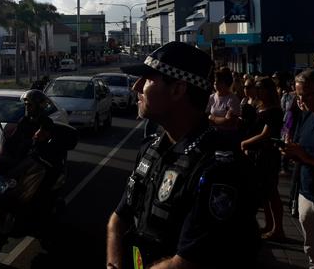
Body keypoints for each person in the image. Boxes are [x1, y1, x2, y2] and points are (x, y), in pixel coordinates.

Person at [106, 42, 259, 269]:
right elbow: (118, 221)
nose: (136, 87)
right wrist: (114, 264)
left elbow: (186, 262)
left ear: (178, 90)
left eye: (148, 79)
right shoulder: (151, 148)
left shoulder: (219, 168)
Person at [282, 70, 314, 269]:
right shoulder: (307, 117)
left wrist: (305, 157)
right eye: (298, 96)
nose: (301, 101)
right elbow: (302, 148)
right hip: (307, 195)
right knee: (313, 252)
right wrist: (292, 152)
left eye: (304, 95)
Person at [241, 78, 285, 241]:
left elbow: (266, 133)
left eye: (260, 89)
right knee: (264, 193)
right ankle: (269, 224)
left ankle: (278, 228)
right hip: (257, 154)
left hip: (267, 154)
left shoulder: (274, 110)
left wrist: (245, 143)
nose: (257, 92)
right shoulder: (259, 106)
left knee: (272, 192)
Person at [206, 67, 241, 132]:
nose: (215, 82)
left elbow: (229, 122)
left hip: (227, 136)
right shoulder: (211, 97)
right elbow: (206, 116)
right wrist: (221, 119)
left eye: (219, 80)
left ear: (226, 83)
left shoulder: (233, 99)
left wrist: (212, 118)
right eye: (215, 80)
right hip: (212, 133)